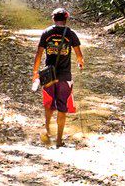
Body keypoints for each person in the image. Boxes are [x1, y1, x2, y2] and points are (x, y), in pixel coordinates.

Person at [32, 8, 84, 147]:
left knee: (49, 104)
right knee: (62, 107)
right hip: (64, 76)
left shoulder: (47, 33)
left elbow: (39, 54)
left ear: (53, 19)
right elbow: (79, 55)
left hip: (49, 75)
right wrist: (80, 63)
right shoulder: (71, 34)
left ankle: (48, 131)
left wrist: (35, 72)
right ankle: (59, 140)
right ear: (65, 19)